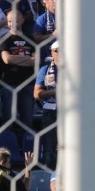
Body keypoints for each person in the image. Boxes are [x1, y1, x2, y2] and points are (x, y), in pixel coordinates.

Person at [34, 40, 60, 169]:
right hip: (51, 110)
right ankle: (51, 175)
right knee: (50, 146)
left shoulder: (74, 69)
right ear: (52, 52)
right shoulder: (45, 69)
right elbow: (37, 93)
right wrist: (56, 91)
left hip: (70, 112)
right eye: (57, 51)